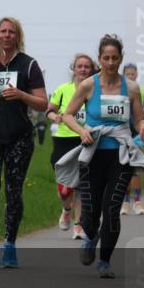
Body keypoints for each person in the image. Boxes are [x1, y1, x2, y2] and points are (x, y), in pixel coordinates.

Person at [56, 35, 144, 278]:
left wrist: (142, 124)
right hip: (92, 155)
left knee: (111, 208)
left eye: (114, 58)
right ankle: (90, 238)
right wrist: (82, 131)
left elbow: (138, 117)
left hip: (120, 156)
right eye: (106, 58)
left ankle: (105, 262)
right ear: (99, 59)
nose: (110, 62)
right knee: (90, 214)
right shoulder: (88, 85)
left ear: (120, 59)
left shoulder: (131, 88)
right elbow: (67, 115)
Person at [0, 17, 48, 268]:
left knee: (13, 192)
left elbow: (43, 103)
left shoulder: (29, 65)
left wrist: (22, 94)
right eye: (2, 31)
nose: (6, 35)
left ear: (18, 36)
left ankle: (10, 246)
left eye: (11, 32)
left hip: (20, 137)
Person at [46, 53, 95, 239]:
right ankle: (66, 209)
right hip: (63, 140)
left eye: (87, 66)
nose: (83, 69)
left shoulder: (94, 91)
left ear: (91, 70)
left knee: (82, 186)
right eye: (79, 66)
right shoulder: (62, 89)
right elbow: (49, 110)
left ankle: (78, 226)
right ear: (73, 69)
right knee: (65, 189)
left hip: (86, 141)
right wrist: (55, 117)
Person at [120, 63, 144, 215]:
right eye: (127, 74)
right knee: (123, 168)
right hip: (122, 132)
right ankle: (125, 201)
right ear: (123, 75)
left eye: (132, 74)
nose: (130, 76)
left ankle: (137, 201)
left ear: (136, 75)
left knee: (137, 168)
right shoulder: (118, 90)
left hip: (137, 132)